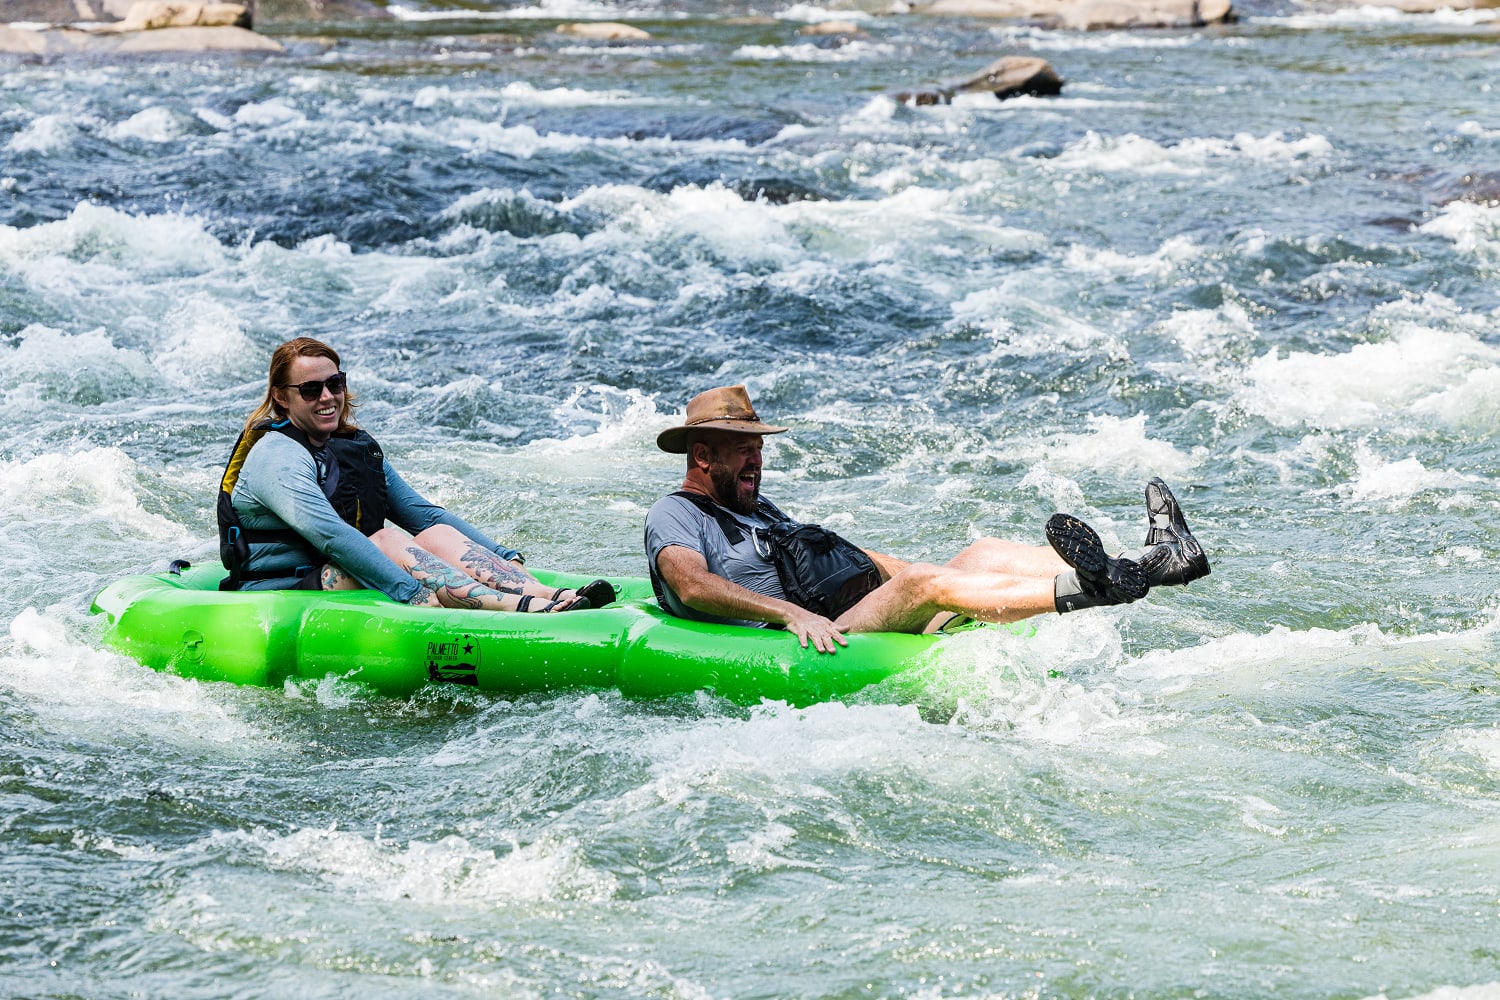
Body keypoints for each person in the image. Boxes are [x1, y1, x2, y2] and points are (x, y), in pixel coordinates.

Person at [644, 385, 1210, 653]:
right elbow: (692, 585)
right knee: (926, 584)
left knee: (979, 554)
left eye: (758, 447)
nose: (757, 459)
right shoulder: (675, 513)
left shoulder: (756, 510)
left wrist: (937, 576)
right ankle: (1090, 587)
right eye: (743, 448)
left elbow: (847, 560)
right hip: (818, 635)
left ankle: (1154, 560)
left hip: (851, 608)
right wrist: (792, 615)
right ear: (702, 456)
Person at [218, 337, 615, 612]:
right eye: (310, 389)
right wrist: (414, 595)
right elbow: (332, 536)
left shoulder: (350, 447)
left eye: (334, 383)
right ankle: (519, 608)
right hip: (284, 588)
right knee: (387, 538)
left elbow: (424, 515)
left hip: (337, 570)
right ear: (282, 397)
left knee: (434, 534)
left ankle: (545, 594)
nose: (327, 397)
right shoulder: (277, 457)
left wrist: (507, 559)